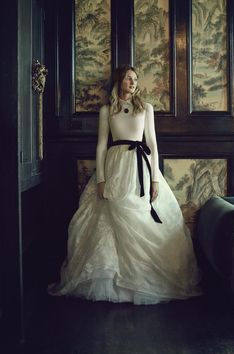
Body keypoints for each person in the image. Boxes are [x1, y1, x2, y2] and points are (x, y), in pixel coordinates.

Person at [48, 65, 202, 304]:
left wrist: (153, 178)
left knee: (144, 218)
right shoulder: (107, 110)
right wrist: (100, 179)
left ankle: (143, 280)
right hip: (115, 167)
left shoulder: (145, 108)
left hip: (139, 167)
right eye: (128, 78)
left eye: (135, 78)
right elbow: (101, 145)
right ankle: (112, 279)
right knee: (106, 218)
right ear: (119, 81)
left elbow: (151, 144)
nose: (133, 81)